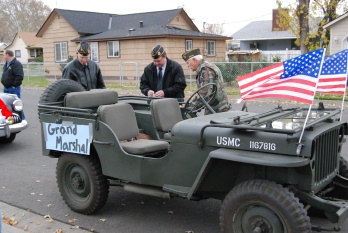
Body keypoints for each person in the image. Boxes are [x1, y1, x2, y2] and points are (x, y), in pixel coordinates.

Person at [182, 48, 231, 114]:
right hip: (216, 108)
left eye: (188, 63)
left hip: (217, 110)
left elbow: (205, 93)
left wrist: (190, 106)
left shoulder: (205, 70)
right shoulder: (206, 66)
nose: (188, 66)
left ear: (194, 60)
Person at [1, 49, 26, 120]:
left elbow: (19, 76)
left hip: (13, 89)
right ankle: (10, 119)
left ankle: (22, 119)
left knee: (16, 105)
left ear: (8, 55)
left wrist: (14, 85)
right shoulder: (6, 64)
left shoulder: (16, 64)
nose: (3, 56)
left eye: (4, 54)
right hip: (6, 87)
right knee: (7, 105)